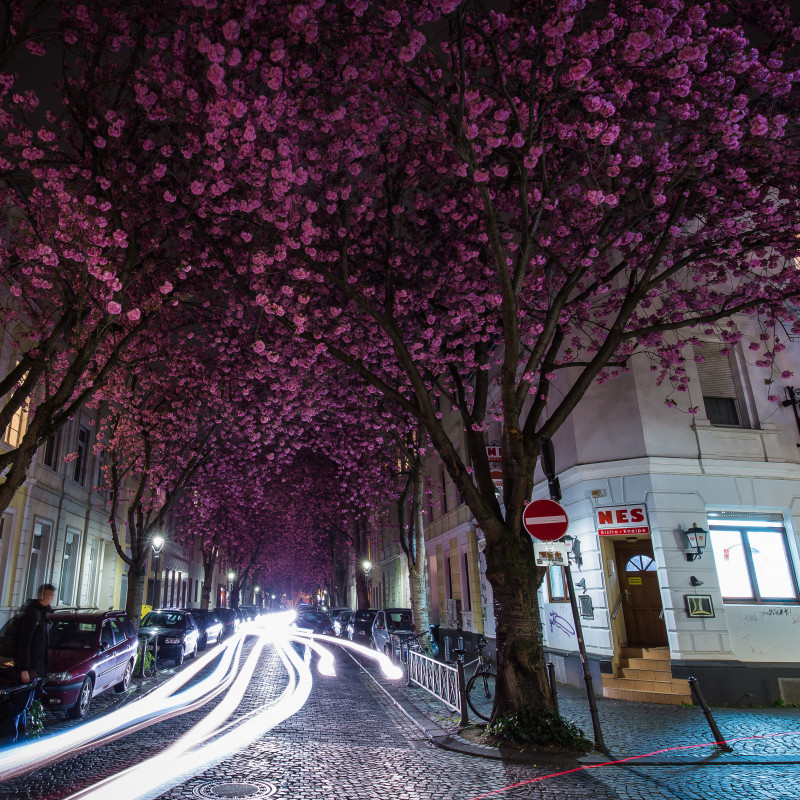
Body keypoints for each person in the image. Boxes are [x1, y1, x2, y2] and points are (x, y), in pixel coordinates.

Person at [1, 584, 55, 744]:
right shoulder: (33, 615)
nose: (51, 598)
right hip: (27, 670)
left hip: (34, 670)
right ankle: (10, 741)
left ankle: (20, 739)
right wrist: (24, 668)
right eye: (49, 595)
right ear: (43, 596)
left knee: (24, 706)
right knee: (18, 707)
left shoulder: (42, 614)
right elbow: (24, 643)